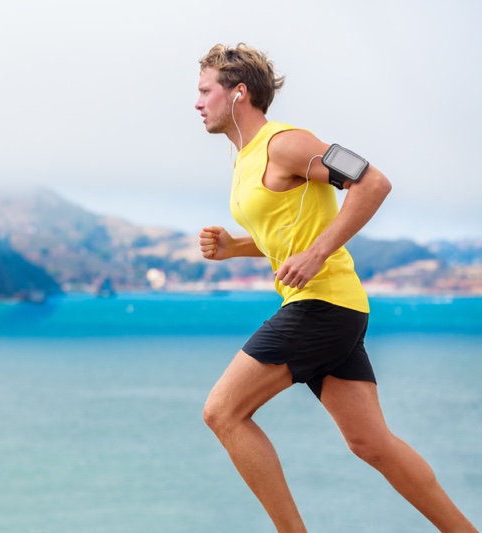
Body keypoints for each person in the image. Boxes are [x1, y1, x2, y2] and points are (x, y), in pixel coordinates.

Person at [194, 42, 477, 533]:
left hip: (321, 305)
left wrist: (318, 253)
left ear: (239, 93)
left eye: (204, 91)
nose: (197, 104)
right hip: (334, 307)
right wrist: (234, 247)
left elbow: (373, 182)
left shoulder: (287, 142)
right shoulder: (244, 160)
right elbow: (290, 239)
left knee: (223, 413)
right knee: (371, 444)